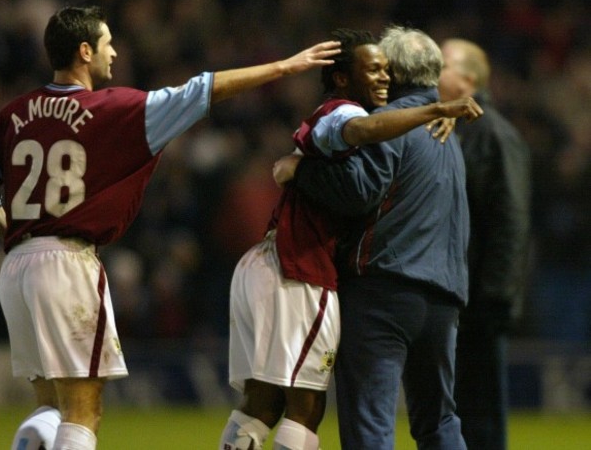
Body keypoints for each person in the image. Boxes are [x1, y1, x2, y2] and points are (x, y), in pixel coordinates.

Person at [0, 5, 342, 450]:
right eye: (107, 43)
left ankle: (30, 441)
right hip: (66, 262)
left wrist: (15, 237)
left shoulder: (12, 114)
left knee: (50, 405)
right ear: (85, 51)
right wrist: (284, 66)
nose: (114, 52)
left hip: (19, 265)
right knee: (85, 408)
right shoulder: (116, 107)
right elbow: (204, 90)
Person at [219, 28, 483, 450]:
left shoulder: (389, 125)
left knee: (340, 417)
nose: (380, 78)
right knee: (439, 422)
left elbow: (358, 189)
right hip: (442, 294)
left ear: (395, 74)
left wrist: (298, 169)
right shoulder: (445, 137)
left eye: (384, 69)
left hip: (373, 288)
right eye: (372, 68)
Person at [439, 38, 531, 450]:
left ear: (469, 79)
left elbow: (512, 220)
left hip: (479, 298)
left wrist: (495, 296)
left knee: (480, 415)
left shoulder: (493, 134)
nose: (432, 72)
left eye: (442, 64)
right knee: (455, 411)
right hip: (456, 292)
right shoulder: (454, 127)